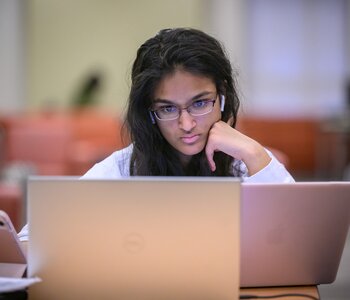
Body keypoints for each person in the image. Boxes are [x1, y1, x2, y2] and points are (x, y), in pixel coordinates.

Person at [18, 28, 294, 243]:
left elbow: (298, 238)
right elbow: (29, 241)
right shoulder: (122, 169)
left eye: (200, 103)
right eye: (167, 108)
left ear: (221, 96)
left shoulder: (244, 161)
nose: (186, 124)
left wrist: (255, 153)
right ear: (150, 112)